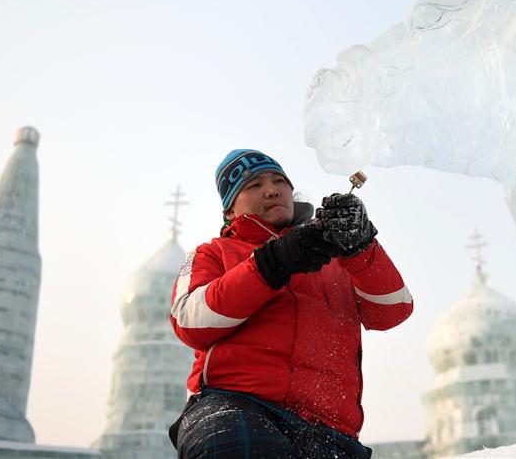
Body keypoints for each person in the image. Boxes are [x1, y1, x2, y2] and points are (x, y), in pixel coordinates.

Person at [169, 149, 413, 458]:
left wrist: (361, 244)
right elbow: (190, 321)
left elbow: (391, 311)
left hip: (330, 426)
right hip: (237, 405)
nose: (272, 189)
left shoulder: (335, 256)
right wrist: (271, 263)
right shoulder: (213, 253)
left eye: (279, 180)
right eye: (253, 185)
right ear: (229, 211)